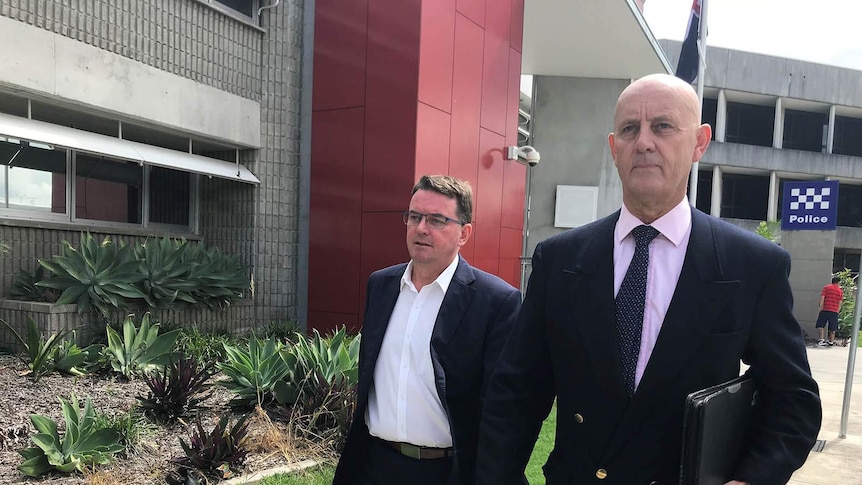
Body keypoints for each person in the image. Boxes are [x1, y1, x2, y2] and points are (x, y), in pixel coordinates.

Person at [475, 74, 821, 485]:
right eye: (629, 129)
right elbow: (516, 393)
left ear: (699, 143)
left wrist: (750, 480)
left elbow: (793, 401)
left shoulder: (752, 265)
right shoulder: (561, 260)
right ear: (613, 148)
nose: (643, 142)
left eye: (662, 126)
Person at [333, 175, 522, 485]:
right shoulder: (381, 285)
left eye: (436, 220)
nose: (421, 228)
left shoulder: (495, 301)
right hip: (374, 464)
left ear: (464, 233)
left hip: (446, 471)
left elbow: (501, 409)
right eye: (415, 217)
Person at [816, 276, 844, 346]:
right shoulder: (840, 291)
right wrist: (838, 311)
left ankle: (821, 340)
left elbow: (822, 297)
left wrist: (820, 307)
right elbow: (840, 302)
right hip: (834, 311)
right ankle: (831, 341)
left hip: (825, 309)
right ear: (838, 282)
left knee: (820, 325)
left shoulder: (826, 288)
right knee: (833, 327)